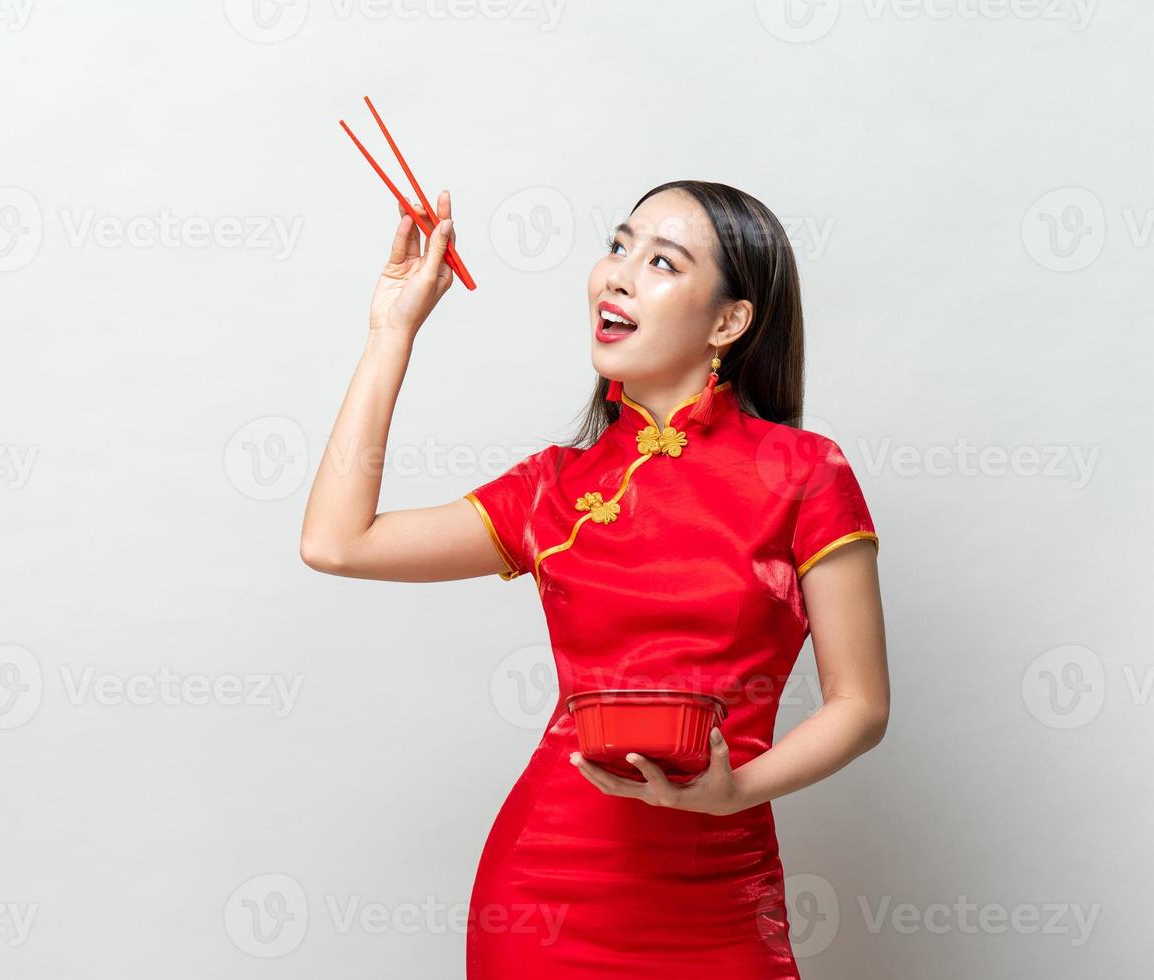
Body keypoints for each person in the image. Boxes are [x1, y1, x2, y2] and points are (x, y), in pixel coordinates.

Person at [300, 179, 890, 977]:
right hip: (548, 892)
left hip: (721, 893)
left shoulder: (805, 473)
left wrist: (734, 791)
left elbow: (860, 705)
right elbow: (338, 542)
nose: (616, 274)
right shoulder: (554, 485)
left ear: (729, 322)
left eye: (661, 262)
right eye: (618, 246)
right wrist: (390, 332)